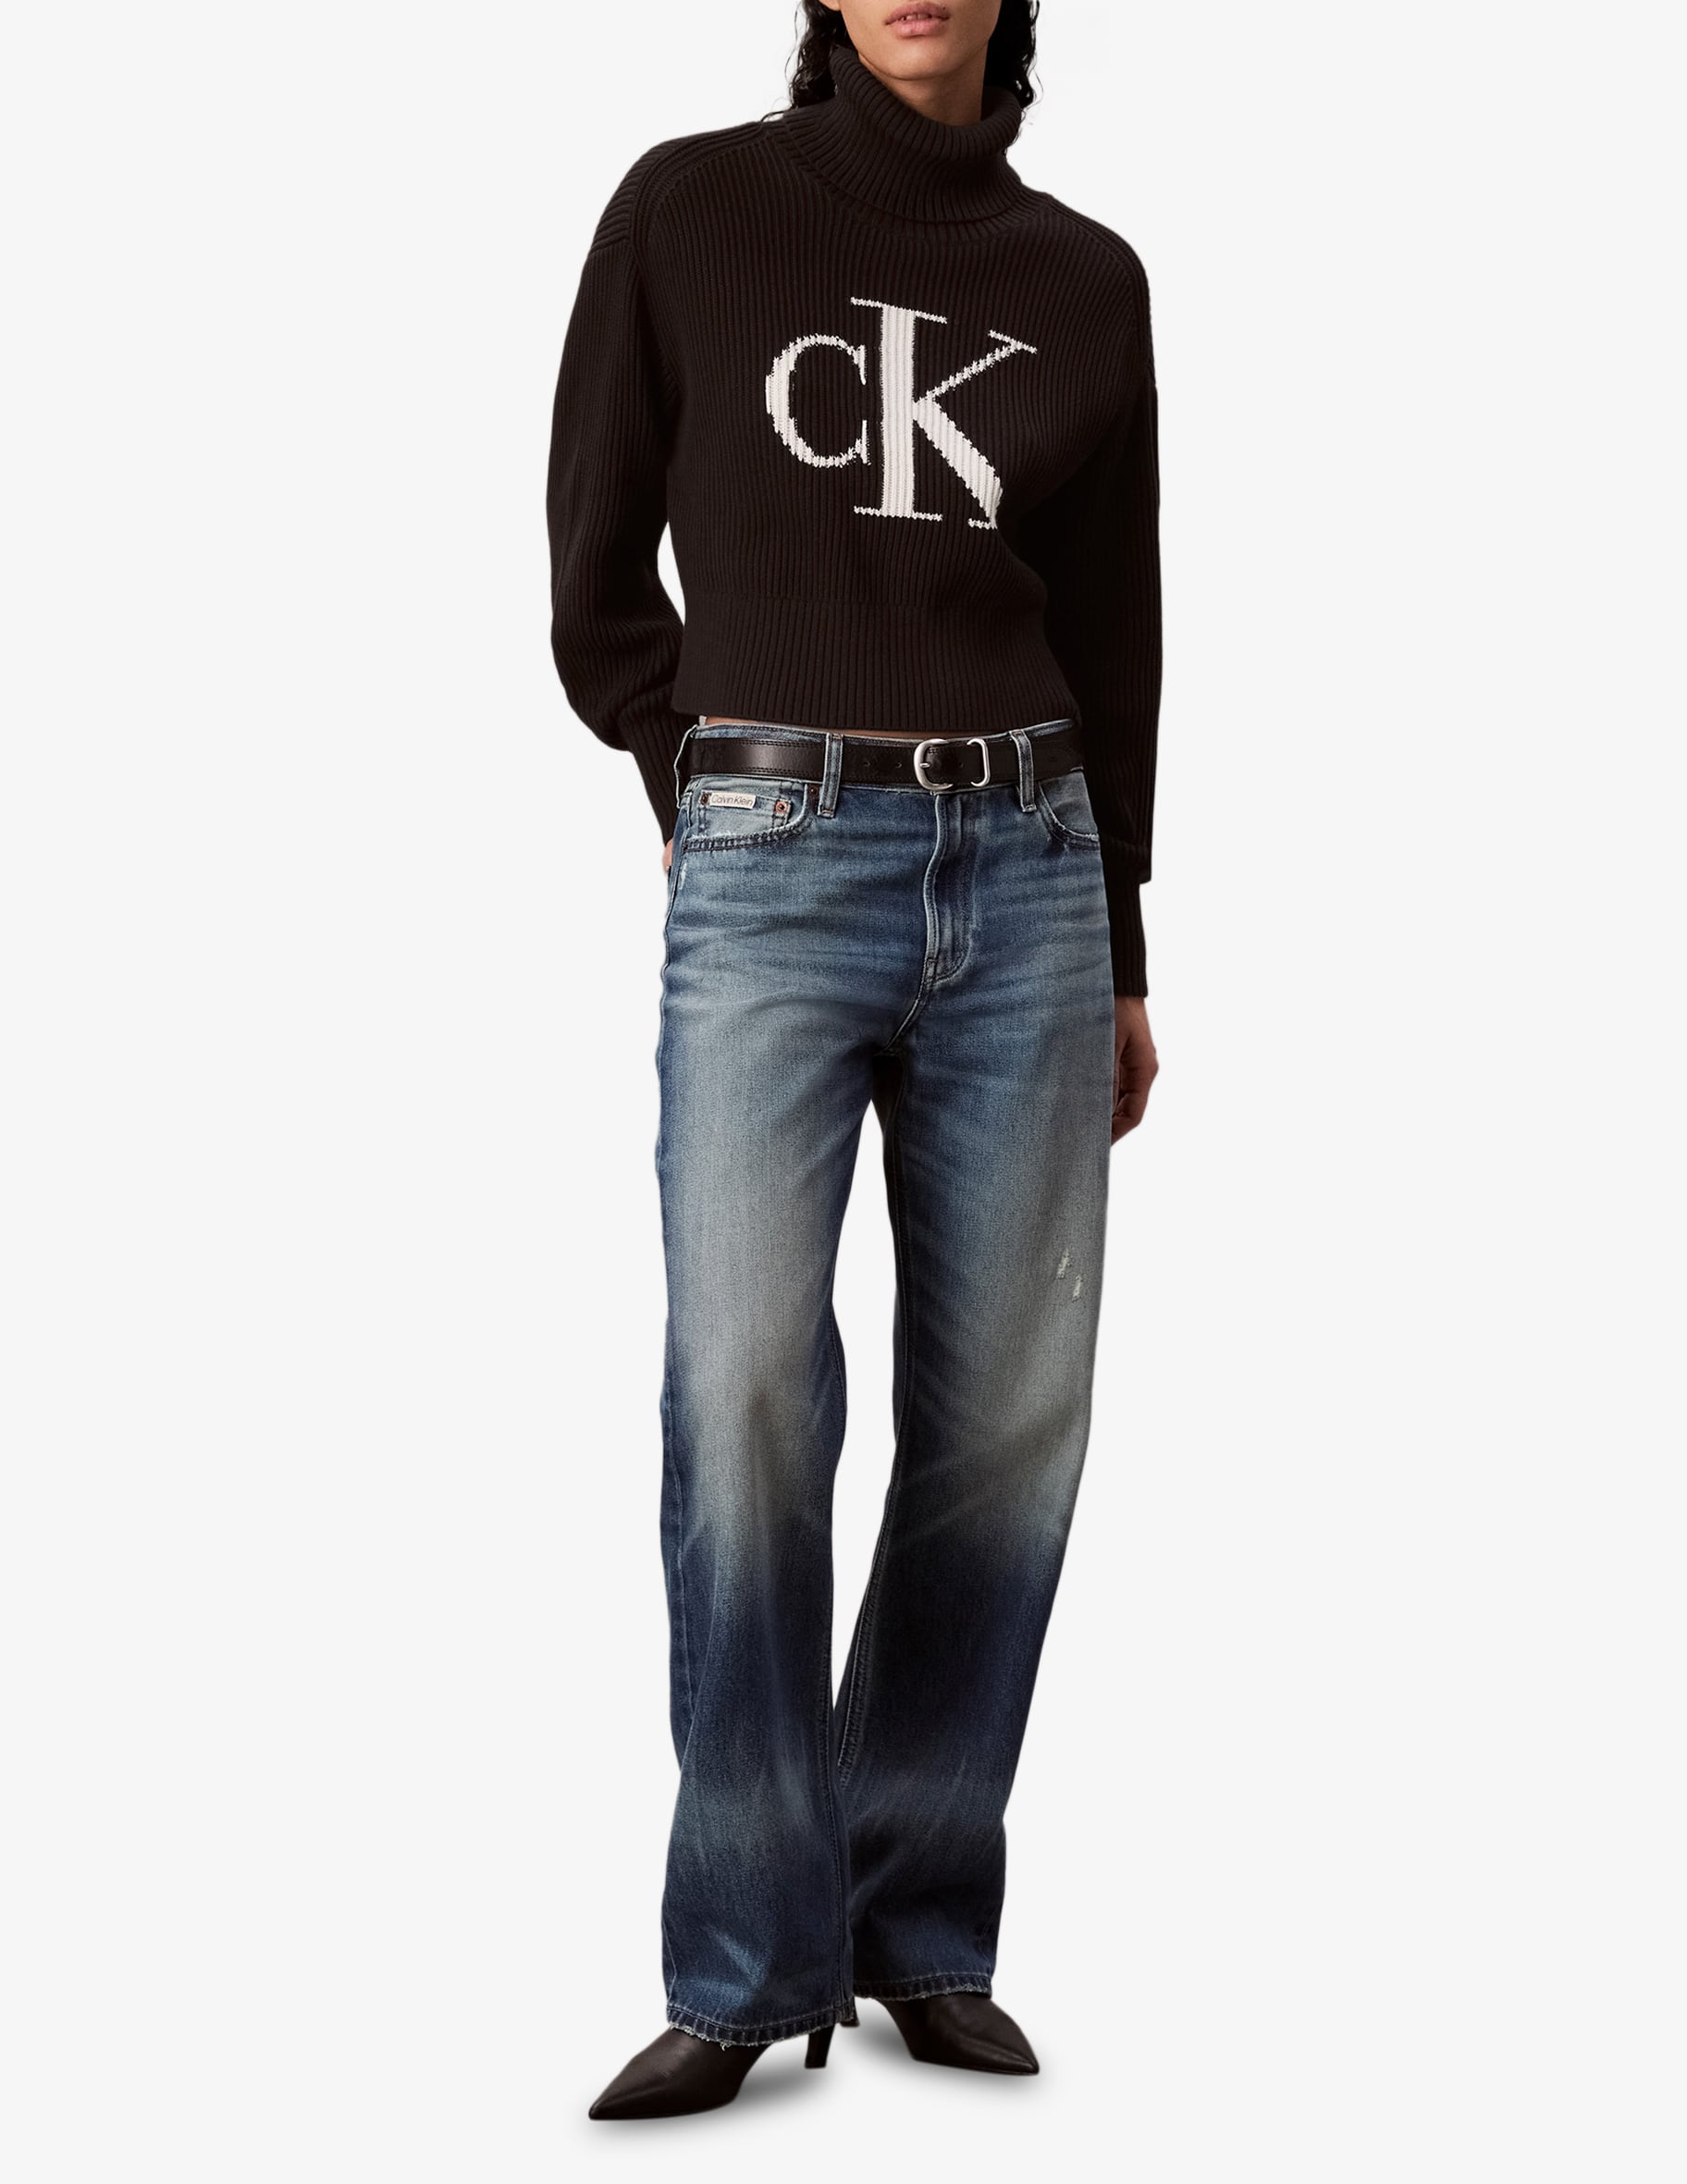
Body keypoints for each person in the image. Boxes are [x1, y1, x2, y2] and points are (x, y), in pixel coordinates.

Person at [547, 0, 1162, 2120]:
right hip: (774, 856)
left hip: (1035, 864)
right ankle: (746, 1948)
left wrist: (1123, 946)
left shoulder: (1088, 280)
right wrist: (688, 766)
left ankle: (912, 1913)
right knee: (741, 1385)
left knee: (1007, 1416)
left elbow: (1115, 632)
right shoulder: (686, 211)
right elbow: (595, 573)